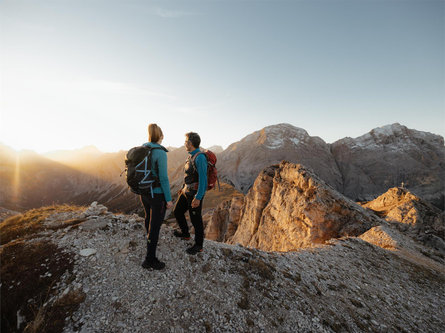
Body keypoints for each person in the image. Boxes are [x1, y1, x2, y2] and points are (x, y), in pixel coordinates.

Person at [140, 124, 173, 270]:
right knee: (155, 226)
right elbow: (164, 178)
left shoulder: (143, 148)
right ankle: (150, 259)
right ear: (160, 136)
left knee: (148, 217)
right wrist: (169, 199)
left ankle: (149, 241)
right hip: (157, 194)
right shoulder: (160, 152)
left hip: (144, 192)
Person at [173, 132, 207, 255]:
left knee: (195, 219)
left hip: (194, 194)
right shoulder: (190, 156)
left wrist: (198, 197)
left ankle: (199, 245)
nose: (184, 143)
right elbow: (189, 175)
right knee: (177, 211)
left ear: (191, 143)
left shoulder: (200, 158)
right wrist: (182, 188)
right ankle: (185, 234)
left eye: (186, 141)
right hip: (186, 191)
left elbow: (203, 180)